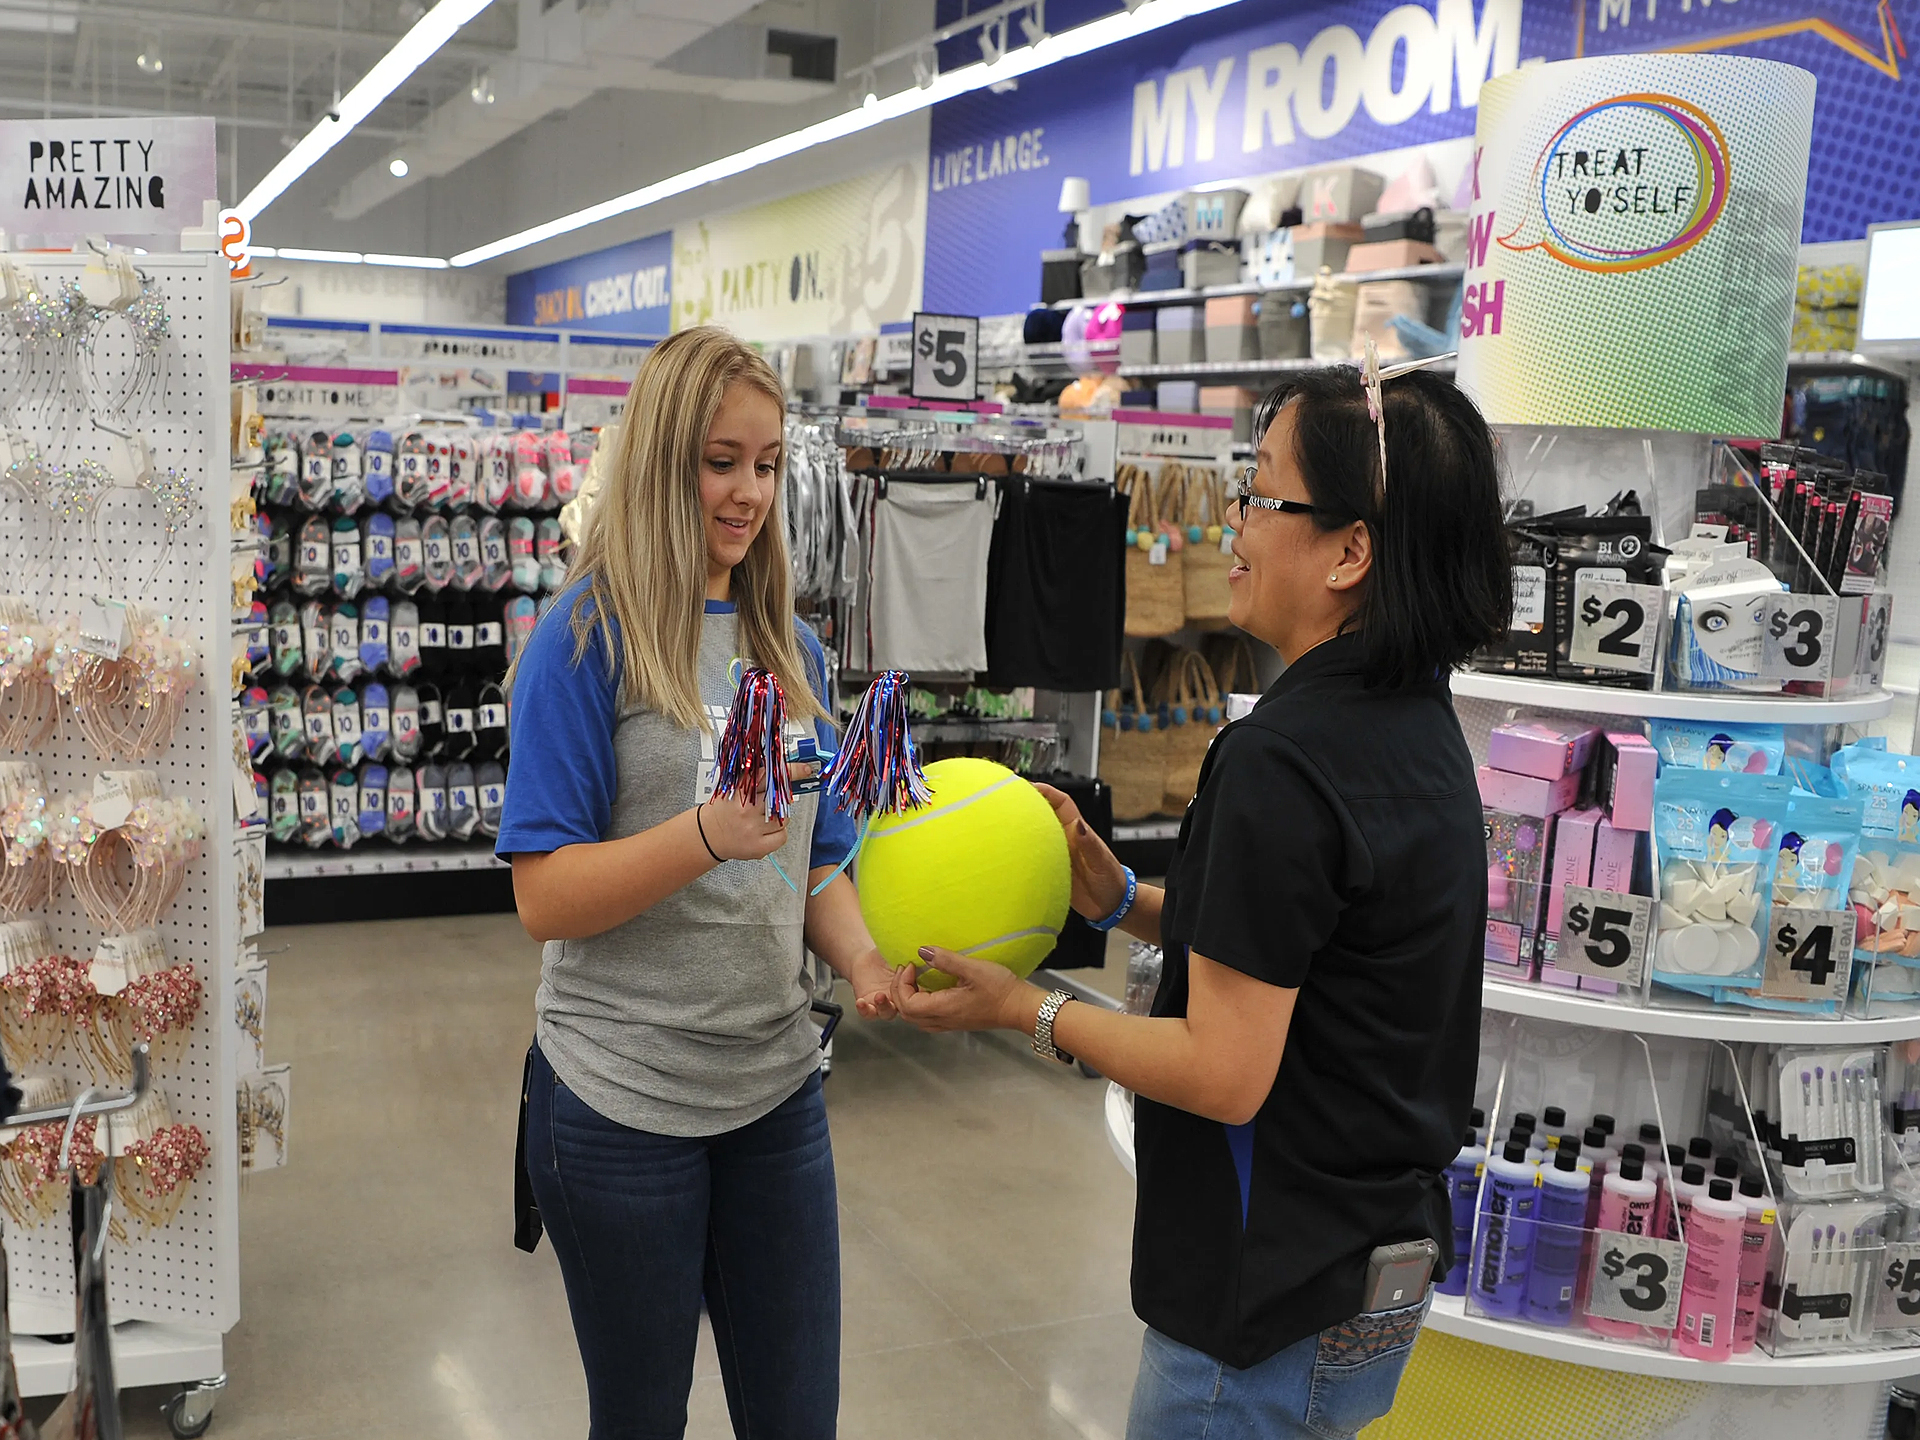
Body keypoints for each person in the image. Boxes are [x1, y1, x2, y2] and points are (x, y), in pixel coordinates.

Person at [890, 362, 1513, 1439]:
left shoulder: (1280, 759)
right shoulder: (1418, 729)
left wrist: (1021, 1008)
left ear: (1350, 551)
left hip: (1256, 1312)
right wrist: (1123, 894)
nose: (1235, 521)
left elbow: (1225, 1073)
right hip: (1370, 1273)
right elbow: (1309, 954)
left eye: (1262, 495)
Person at [496, 326, 897, 1440]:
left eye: (767, 465)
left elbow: (817, 858)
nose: (749, 493)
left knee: (796, 1416)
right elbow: (546, 896)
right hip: (621, 1103)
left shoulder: (797, 655)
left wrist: (862, 961)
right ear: (668, 458)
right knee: (642, 1419)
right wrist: (704, 836)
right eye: (724, 461)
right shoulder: (583, 639)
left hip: (776, 1090)